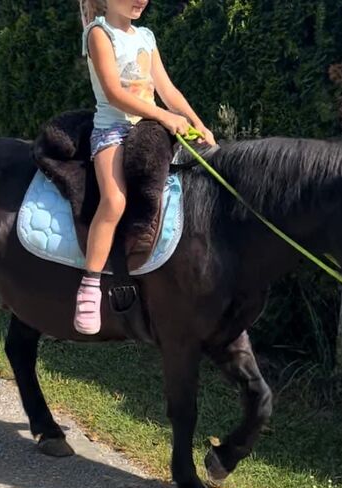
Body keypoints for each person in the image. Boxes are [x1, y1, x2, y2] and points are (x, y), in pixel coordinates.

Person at [74, 0, 216, 335]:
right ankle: (90, 285)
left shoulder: (146, 36)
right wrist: (165, 116)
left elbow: (166, 90)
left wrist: (198, 123)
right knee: (115, 201)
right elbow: (114, 93)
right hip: (113, 130)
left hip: (149, 130)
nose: (141, 0)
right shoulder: (98, 33)